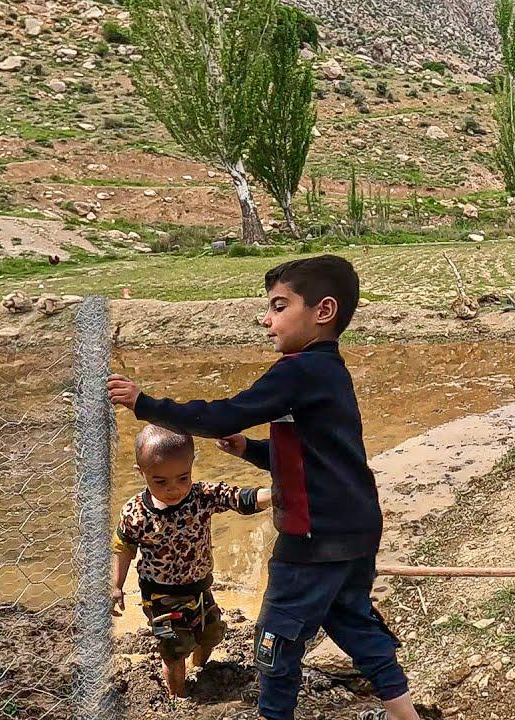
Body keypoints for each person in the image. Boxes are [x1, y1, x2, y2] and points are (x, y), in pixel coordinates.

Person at [107, 255, 421, 720]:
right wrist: (249, 450)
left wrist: (145, 403)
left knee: (275, 640)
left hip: (313, 539)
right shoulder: (328, 372)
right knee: (353, 622)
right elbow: (317, 456)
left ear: (323, 311)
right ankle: (403, 713)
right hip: (354, 529)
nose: (266, 318)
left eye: (278, 305)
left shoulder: (299, 369)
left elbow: (223, 413)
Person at [111, 424, 272, 698]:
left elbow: (240, 498)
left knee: (210, 634)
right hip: (161, 596)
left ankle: (201, 668)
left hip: (200, 589)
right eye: (160, 481)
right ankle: (179, 697)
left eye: (183, 478)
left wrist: (278, 494)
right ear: (142, 473)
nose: (173, 489)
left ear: (192, 465)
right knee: (174, 650)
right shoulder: (136, 513)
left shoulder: (201, 497)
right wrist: (116, 585)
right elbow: (123, 547)